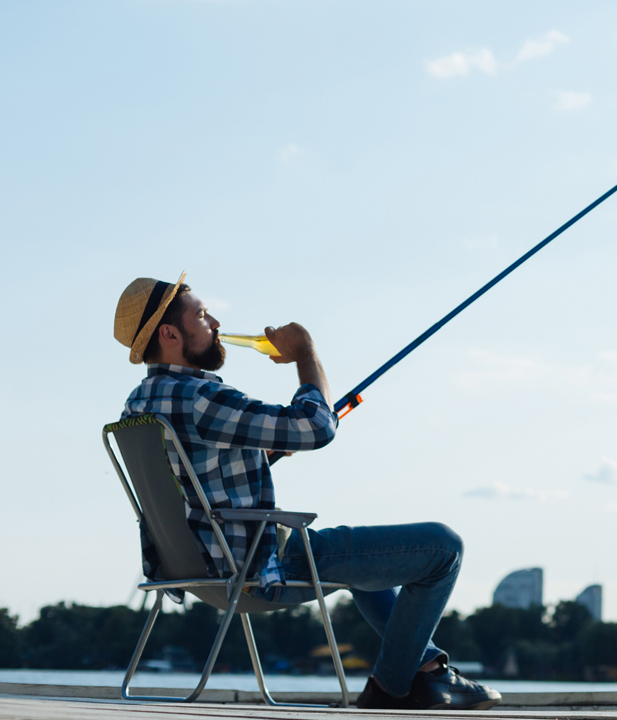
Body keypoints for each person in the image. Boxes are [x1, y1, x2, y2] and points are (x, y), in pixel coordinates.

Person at [113, 273, 500, 710]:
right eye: (201, 316)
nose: (216, 322)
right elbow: (316, 427)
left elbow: (193, 475)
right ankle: (393, 687)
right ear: (169, 334)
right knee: (443, 548)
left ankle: (427, 669)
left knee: (366, 563)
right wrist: (305, 354)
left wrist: (264, 455)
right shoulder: (199, 396)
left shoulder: (140, 402)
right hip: (257, 569)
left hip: (197, 571)